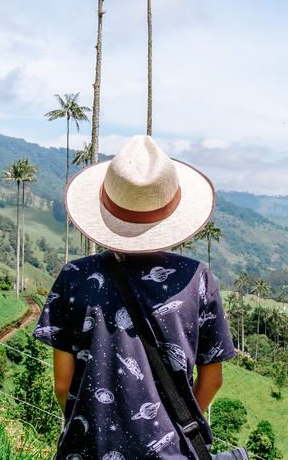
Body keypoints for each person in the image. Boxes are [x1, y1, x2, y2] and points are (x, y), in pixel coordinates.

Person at [33, 135, 235, 460]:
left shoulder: (74, 276)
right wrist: (174, 429)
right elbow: (212, 379)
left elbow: (62, 384)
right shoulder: (197, 279)